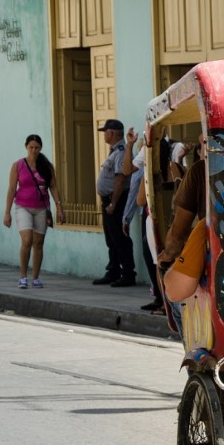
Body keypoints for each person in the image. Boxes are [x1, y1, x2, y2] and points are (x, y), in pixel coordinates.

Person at [3, 134, 65, 289]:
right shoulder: (18, 165)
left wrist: (59, 208)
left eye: (37, 148)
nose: (34, 150)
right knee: (27, 240)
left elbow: (53, 187)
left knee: (38, 243)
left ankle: (35, 277)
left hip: (41, 208)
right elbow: (11, 189)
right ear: (26, 147)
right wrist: (7, 212)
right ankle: (23, 276)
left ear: (40, 148)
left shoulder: (46, 166)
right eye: (31, 147)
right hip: (23, 206)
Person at [121, 128, 164, 313]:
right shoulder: (146, 150)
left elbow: (139, 198)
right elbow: (127, 169)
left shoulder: (173, 147)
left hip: (159, 209)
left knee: (158, 259)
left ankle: (165, 301)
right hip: (150, 210)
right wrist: (130, 145)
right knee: (152, 258)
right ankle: (159, 297)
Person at [93, 119, 137, 287]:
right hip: (109, 200)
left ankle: (127, 273)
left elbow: (120, 178)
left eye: (106, 131)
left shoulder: (121, 151)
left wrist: (113, 203)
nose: (104, 134)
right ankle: (113, 270)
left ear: (112, 133)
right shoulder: (114, 151)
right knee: (111, 238)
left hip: (116, 200)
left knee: (120, 237)